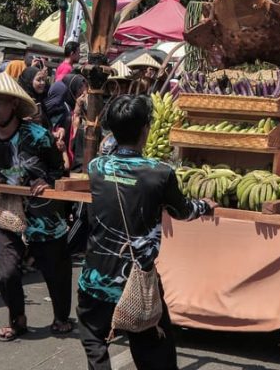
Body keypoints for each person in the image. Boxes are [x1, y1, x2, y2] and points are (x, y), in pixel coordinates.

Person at [76, 94, 216, 370]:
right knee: (153, 349)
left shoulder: (96, 168)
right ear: (146, 129)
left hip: (95, 277)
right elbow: (183, 211)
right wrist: (205, 206)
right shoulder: (159, 173)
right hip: (136, 280)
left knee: (94, 338)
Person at [0, 72, 72, 341]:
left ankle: (60, 317)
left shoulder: (37, 135)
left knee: (55, 271)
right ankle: (17, 319)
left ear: (13, 104)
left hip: (43, 213)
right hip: (10, 210)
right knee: (7, 273)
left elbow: (59, 170)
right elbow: (4, 166)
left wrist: (45, 180)